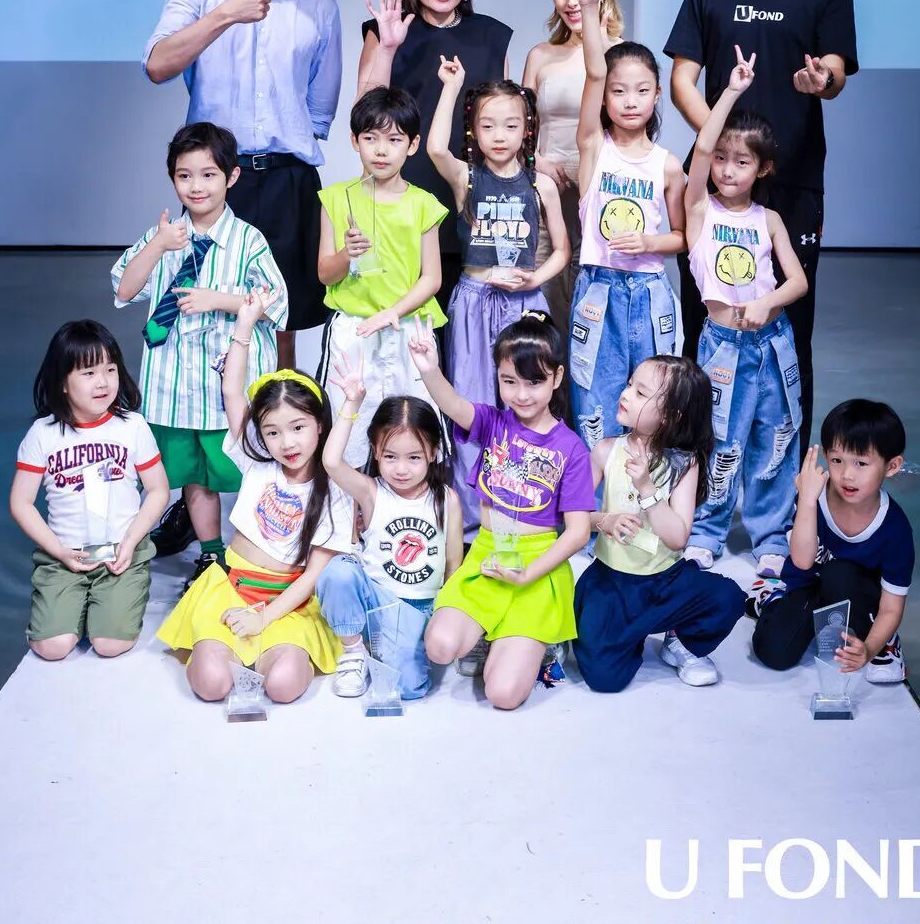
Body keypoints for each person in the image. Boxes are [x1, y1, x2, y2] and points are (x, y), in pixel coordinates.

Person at [665, 0, 858, 452]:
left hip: (793, 182)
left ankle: (787, 469)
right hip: (716, 184)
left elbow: (835, 70)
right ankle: (695, 468)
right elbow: (681, 80)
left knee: (790, 327)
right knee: (704, 317)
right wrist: (723, 147)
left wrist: (820, 81)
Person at [144, 0, 341, 374]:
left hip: (288, 179)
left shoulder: (320, 6)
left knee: (283, 316)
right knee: (203, 308)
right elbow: (158, 65)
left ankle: (283, 419)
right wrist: (227, 13)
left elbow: (319, 112)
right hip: (215, 177)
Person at [156, 290, 354, 706]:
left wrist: (264, 618)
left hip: (288, 603)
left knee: (284, 686)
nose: (287, 442)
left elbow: (313, 576)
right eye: (273, 432)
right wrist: (244, 326)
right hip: (231, 590)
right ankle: (227, 653)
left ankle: (265, 652)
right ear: (260, 435)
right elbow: (232, 393)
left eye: (298, 427)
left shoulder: (335, 488)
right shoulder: (257, 465)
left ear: (320, 424)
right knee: (211, 684)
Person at [111, 122, 287, 584]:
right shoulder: (163, 236)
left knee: (249, 469)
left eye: (208, 175)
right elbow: (124, 289)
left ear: (231, 177)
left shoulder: (248, 240)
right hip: (175, 385)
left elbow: (276, 304)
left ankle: (260, 553)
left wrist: (219, 299)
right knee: (195, 477)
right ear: (172, 178)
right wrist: (157, 246)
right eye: (184, 176)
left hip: (228, 390)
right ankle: (211, 555)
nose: (196, 186)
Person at [408, 311, 593, 711]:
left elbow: (578, 533)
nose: (521, 394)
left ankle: (536, 645)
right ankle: (487, 631)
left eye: (534, 382)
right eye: (509, 381)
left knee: (503, 695)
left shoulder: (572, 448)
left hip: (537, 568)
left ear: (557, 378)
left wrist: (528, 573)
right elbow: (453, 404)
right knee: (440, 647)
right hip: (489, 557)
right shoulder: (493, 423)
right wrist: (429, 370)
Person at [681, 49, 808, 596]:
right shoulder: (699, 210)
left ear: (763, 169)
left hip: (772, 344)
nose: (727, 170)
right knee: (719, 439)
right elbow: (701, 147)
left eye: (742, 162)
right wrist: (730, 91)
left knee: (774, 439)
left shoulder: (769, 219)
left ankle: (772, 535)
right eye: (722, 159)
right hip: (722, 346)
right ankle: (706, 530)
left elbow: (798, 281)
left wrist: (768, 302)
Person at [427, 55, 569, 534]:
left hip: (524, 306)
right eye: (488, 125)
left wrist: (535, 279)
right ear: (473, 130)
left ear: (527, 129)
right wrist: (452, 87)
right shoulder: (467, 178)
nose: (500, 135)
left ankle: (525, 508)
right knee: (471, 404)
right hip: (473, 300)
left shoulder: (540, 184)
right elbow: (434, 148)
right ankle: (472, 523)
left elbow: (562, 250)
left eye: (511, 125)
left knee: (526, 401)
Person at [357, 0, 512, 301]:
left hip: (472, 199)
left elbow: (507, 118)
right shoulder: (387, 31)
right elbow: (364, 112)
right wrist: (388, 48)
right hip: (400, 193)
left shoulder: (491, 35)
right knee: (406, 318)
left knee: (471, 318)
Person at [569, 0, 686, 446]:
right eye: (619, 92)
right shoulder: (594, 147)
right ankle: (599, 494)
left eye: (641, 91)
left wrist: (649, 243)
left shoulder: (668, 164)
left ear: (657, 94)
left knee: (656, 407)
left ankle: (650, 490)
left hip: (652, 293)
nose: (630, 101)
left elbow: (681, 237)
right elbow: (595, 72)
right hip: (599, 291)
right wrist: (590, 7)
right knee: (594, 405)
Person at [574, 356, 744, 692]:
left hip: (664, 581)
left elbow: (677, 538)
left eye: (640, 393)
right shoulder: (606, 451)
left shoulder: (684, 464)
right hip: (612, 581)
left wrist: (647, 490)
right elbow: (573, 517)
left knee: (728, 598)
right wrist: (605, 520)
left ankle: (680, 641)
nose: (625, 394)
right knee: (604, 679)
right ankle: (628, 634)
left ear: (671, 415)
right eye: (629, 385)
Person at [10, 321, 169, 661]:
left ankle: (108, 603)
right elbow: (21, 502)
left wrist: (130, 542)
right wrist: (59, 551)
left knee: (110, 644)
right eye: (88, 373)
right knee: (52, 647)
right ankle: (70, 605)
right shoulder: (43, 433)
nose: (103, 382)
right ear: (62, 382)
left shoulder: (132, 426)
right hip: (65, 555)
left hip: (121, 553)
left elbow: (158, 490)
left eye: (110, 369)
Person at [315, 88, 447, 467]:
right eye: (371, 138)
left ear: (413, 145)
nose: (381, 150)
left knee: (415, 424)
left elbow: (431, 278)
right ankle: (349, 500)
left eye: (394, 140)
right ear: (354, 141)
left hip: (409, 330)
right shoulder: (336, 199)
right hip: (353, 330)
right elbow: (325, 274)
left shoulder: (424, 204)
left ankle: (413, 498)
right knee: (347, 429)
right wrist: (347, 254)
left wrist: (393, 312)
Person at [317, 363, 463, 700]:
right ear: (376, 453)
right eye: (390, 456)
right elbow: (332, 462)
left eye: (414, 457)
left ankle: (386, 649)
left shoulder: (446, 500)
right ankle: (354, 650)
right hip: (374, 599)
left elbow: (453, 567)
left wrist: (447, 619)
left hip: (418, 610)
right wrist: (351, 404)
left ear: (433, 453)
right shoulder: (371, 492)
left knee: (410, 690)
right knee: (338, 572)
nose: (401, 469)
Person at [753, 401, 912, 686]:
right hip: (808, 586)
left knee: (840, 574)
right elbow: (802, 561)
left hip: (859, 601)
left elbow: (891, 607)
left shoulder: (895, 529)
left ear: (892, 466)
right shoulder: (814, 497)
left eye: (861, 463)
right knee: (774, 653)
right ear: (825, 456)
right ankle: (772, 598)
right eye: (837, 460)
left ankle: (886, 643)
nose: (847, 474)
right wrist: (807, 500)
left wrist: (869, 649)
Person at [523, 0, 624, 335]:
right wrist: (536, 161)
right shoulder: (541, 55)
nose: (569, 1)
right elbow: (520, 126)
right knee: (541, 306)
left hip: (599, 196)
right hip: (544, 193)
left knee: (593, 309)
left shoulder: (622, 55)